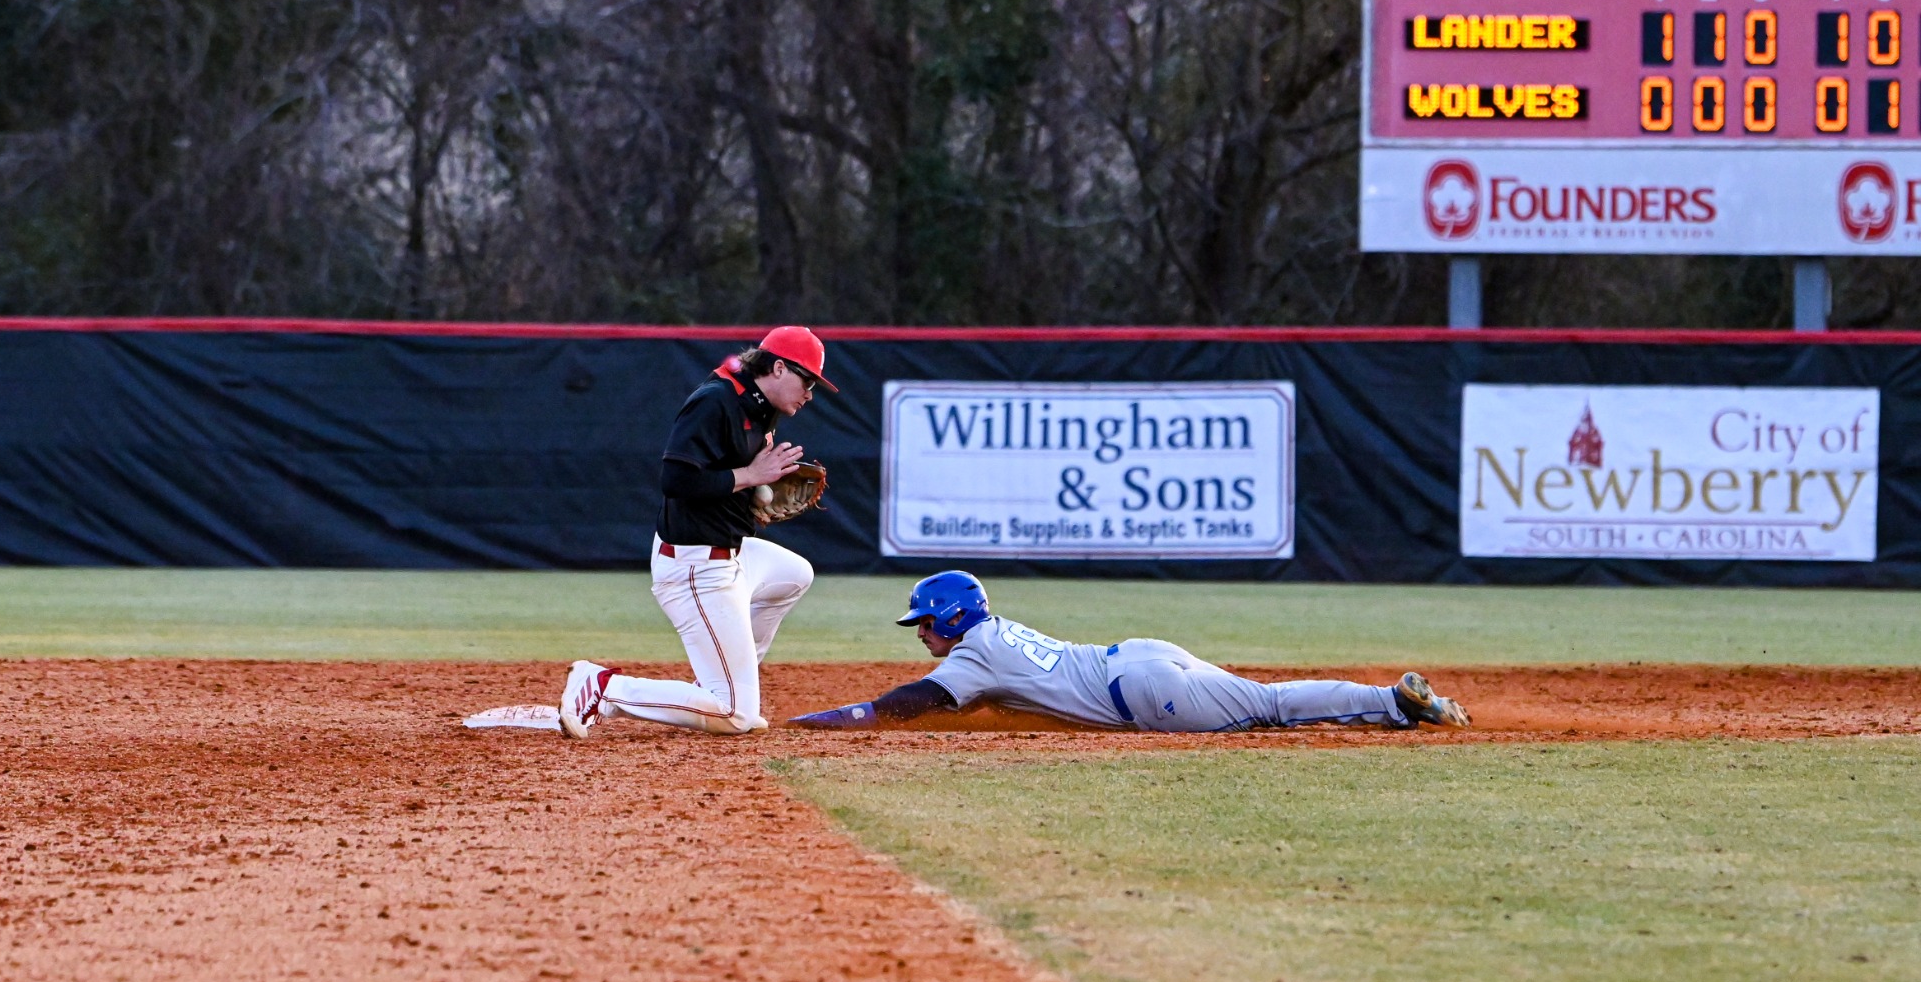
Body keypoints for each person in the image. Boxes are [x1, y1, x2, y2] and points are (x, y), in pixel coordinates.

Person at [559, 326, 836, 737]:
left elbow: (732, 471)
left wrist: (752, 494)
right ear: (778, 368)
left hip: (731, 552)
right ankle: (605, 688)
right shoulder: (716, 402)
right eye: (807, 380)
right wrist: (749, 476)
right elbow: (675, 481)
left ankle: (719, 685)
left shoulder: (759, 402)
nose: (811, 392)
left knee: (795, 575)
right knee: (737, 717)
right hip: (695, 567)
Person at [787, 571, 1471, 733]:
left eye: (924, 623)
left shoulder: (971, 657)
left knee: (1271, 709)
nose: (920, 635)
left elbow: (907, 702)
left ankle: (1396, 706)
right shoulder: (994, 636)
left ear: (955, 617)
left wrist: (838, 720)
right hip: (1141, 655)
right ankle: (1401, 700)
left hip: (1144, 694)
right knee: (1267, 696)